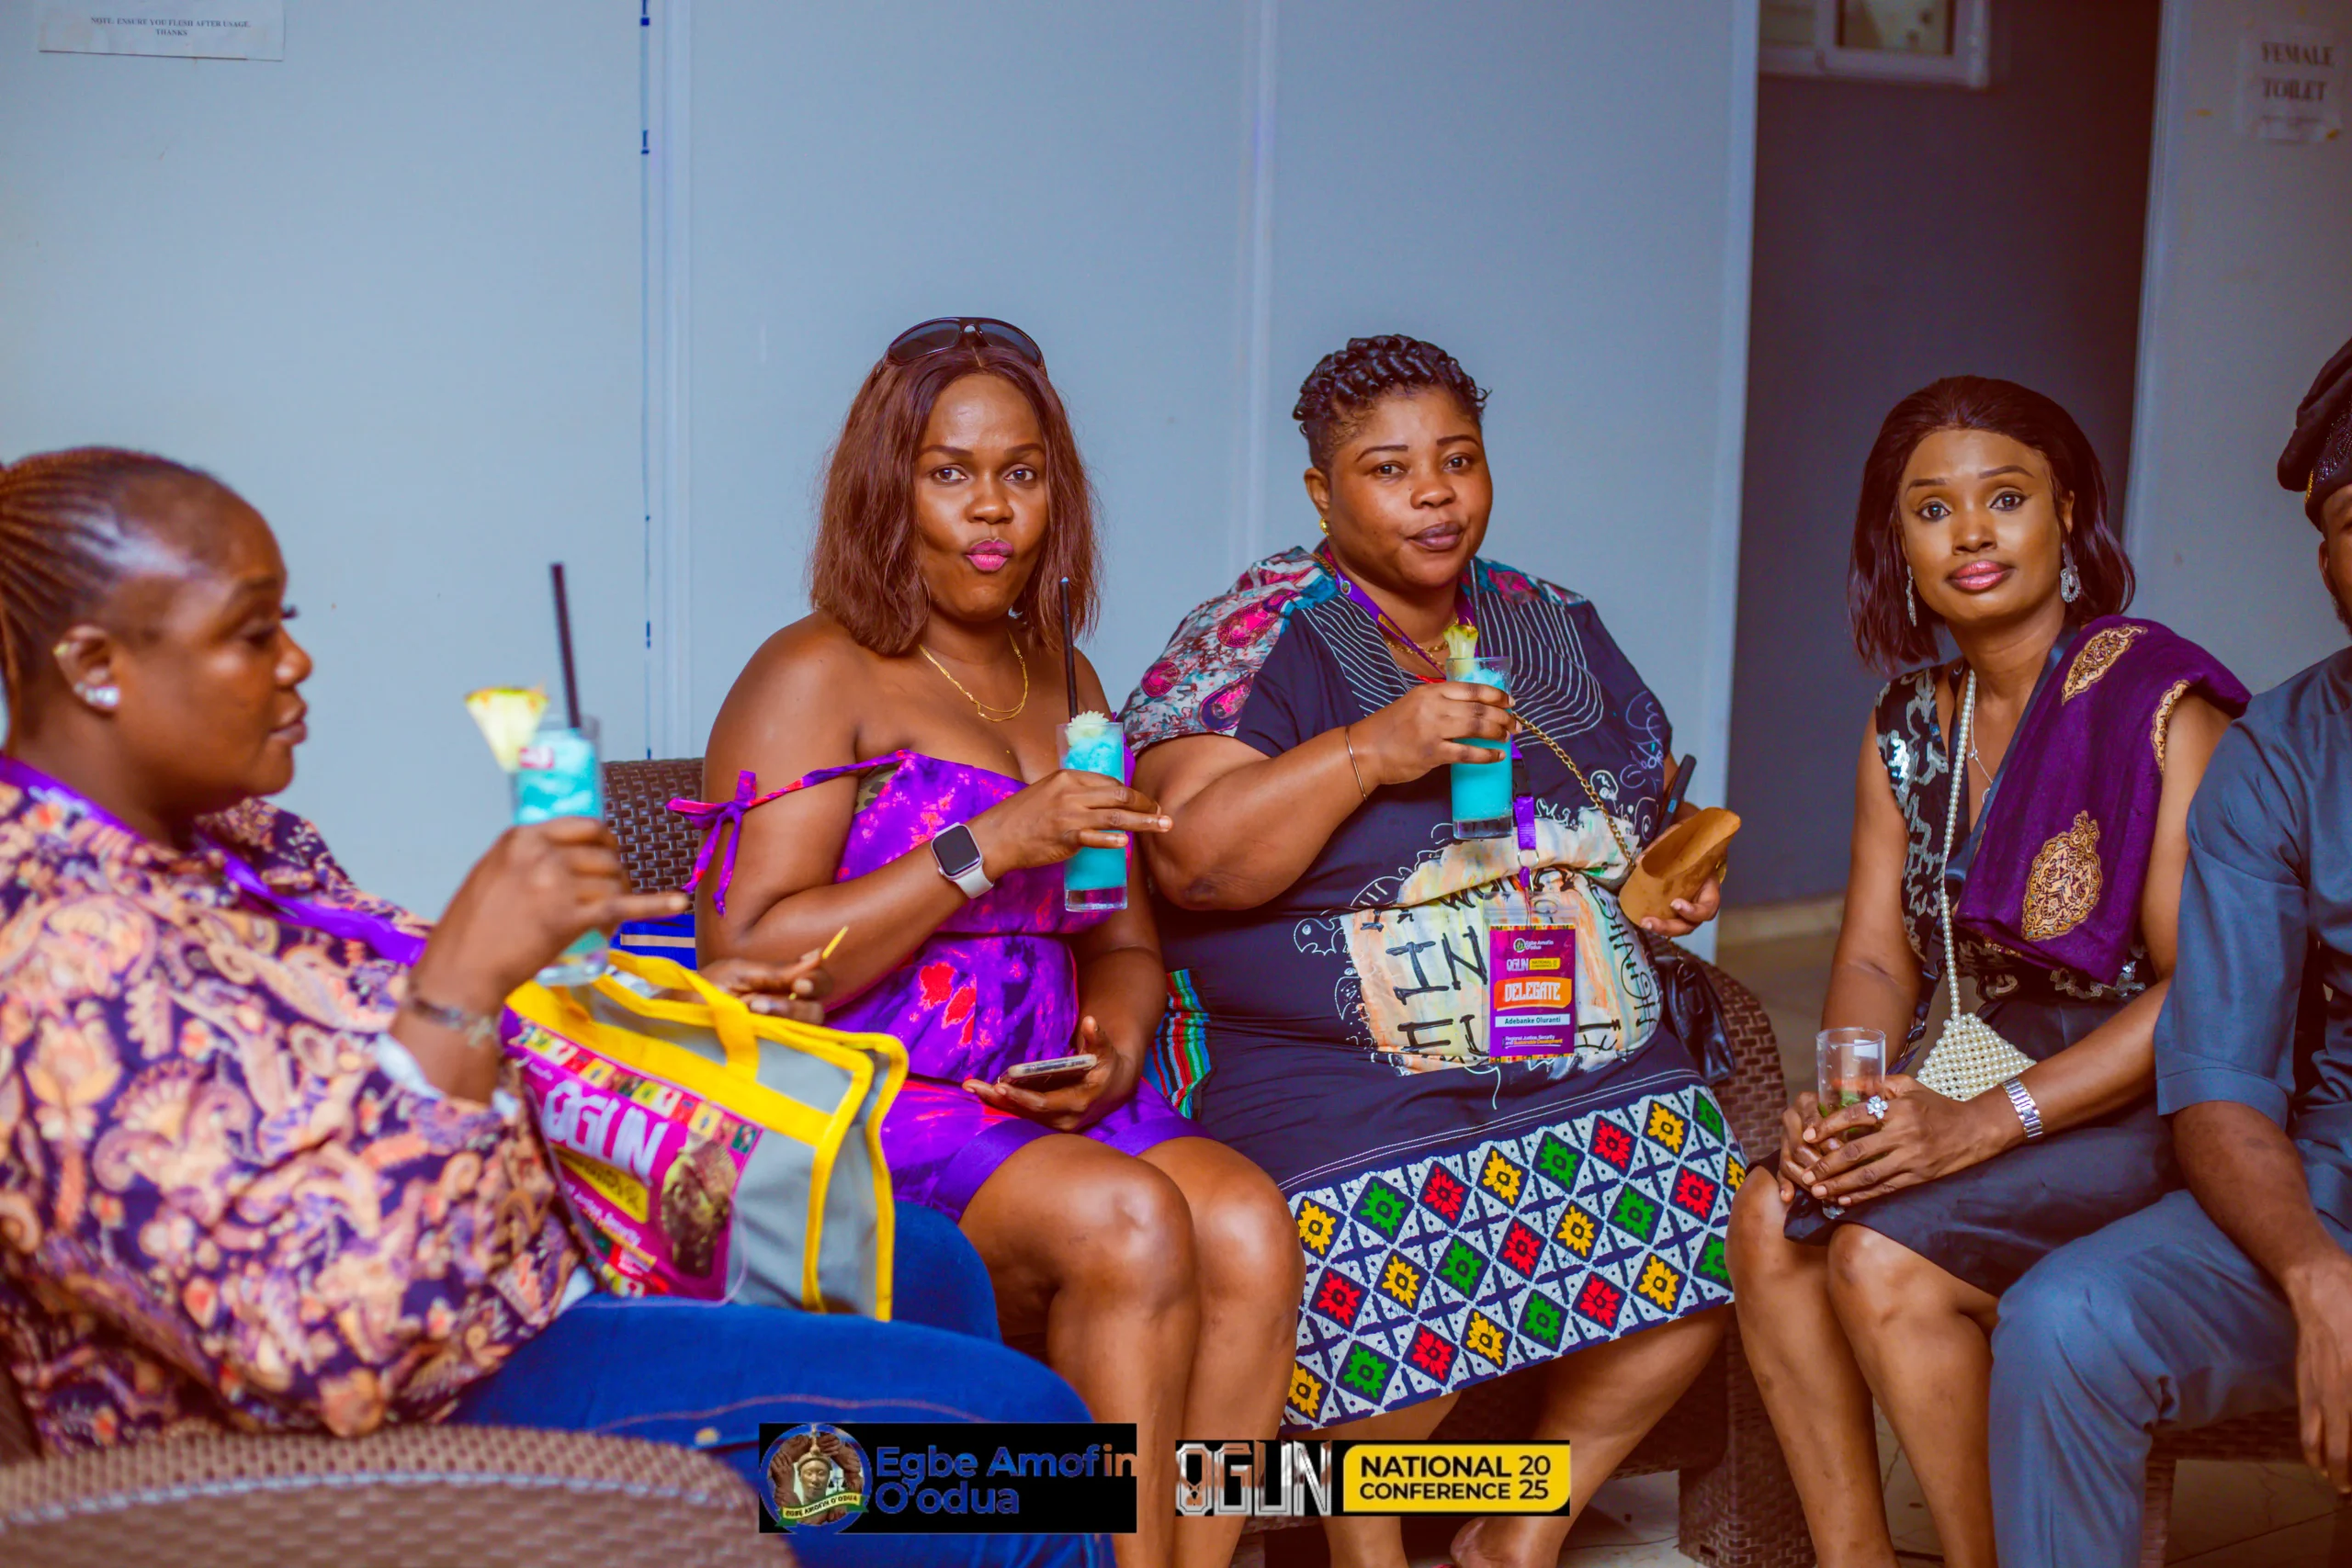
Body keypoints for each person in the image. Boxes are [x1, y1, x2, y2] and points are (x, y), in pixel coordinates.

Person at [0, 446, 1105, 1568]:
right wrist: (460, 985)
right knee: (1029, 1460)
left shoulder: (242, 845)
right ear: (94, 664)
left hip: (533, 1281)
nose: (298, 659)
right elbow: (322, 1351)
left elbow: (390, 1054)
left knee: (929, 1269)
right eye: (250, 634)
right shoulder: (53, 959)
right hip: (409, 1433)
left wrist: (664, 1009)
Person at [690, 318, 1299, 1568]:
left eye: (1021, 473)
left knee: (1245, 1221)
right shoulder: (815, 672)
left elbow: (1121, 938)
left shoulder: (1067, 677)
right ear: (888, 489)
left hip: (1049, 1099)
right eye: (949, 472)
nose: (991, 509)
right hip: (879, 1100)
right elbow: (745, 951)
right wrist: (986, 843)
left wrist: (1114, 1046)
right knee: (1130, 1220)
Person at [1125, 334, 1738, 1568]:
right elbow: (1193, 860)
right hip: (1328, 1063)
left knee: (1718, 1226)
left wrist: (1651, 886)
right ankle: (1369, 1549)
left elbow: (1619, 812)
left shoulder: (1549, 620)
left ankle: (1518, 1531)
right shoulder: (1254, 636)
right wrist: (1372, 750)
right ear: (1322, 491)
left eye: (1458, 459)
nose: (1434, 494)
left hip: (1564, 1033)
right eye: (1390, 468)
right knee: (1402, 1255)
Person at [1724, 377, 2243, 1568]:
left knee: (1878, 1256)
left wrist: (1982, 1122)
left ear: (2068, 514)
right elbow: (1872, 952)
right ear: (1897, 545)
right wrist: (1848, 1097)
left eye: (2005, 497)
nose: (1970, 531)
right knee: (1769, 1215)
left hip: (2157, 1090)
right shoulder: (1908, 724)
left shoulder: (2158, 705)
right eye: (1932, 508)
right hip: (1983, 1049)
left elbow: (2203, 994)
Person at [1986, 337, 2352, 1566]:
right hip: (2332, 1185)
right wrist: (2313, 1271)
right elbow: (2221, 1080)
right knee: (2066, 1322)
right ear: (2324, 561)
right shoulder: (2281, 752)